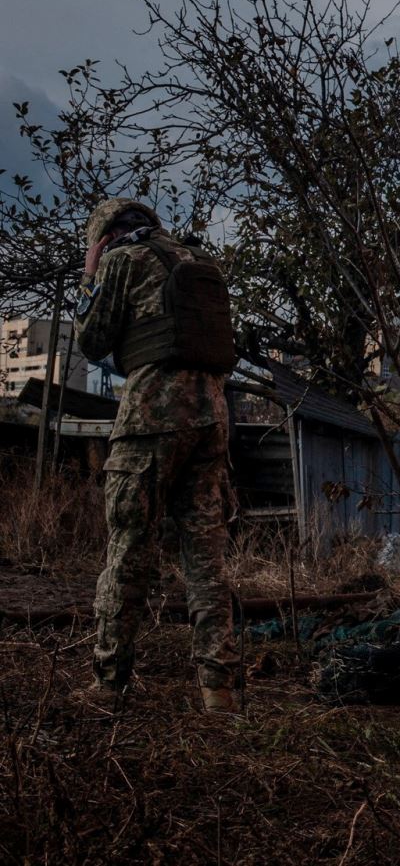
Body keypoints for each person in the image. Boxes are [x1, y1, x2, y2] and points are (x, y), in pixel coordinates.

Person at [74, 198, 241, 712]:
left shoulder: (122, 261)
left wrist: (90, 275)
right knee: (205, 556)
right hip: (212, 417)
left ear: (103, 234)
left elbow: (92, 342)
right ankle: (219, 690)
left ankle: (109, 683)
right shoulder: (197, 260)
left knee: (129, 549)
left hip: (151, 420)